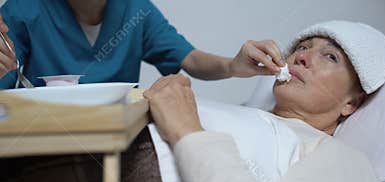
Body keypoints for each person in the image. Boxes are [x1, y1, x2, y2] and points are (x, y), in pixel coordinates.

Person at [144, 21, 385, 182]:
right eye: (302, 47)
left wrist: (186, 132)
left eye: (330, 57)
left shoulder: (343, 158)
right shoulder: (247, 117)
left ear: (351, 103)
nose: (301, 57)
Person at [0, 0, 284, 88]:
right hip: (47, 141)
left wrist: (232, 66)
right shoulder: (24, 10)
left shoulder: (136, 11)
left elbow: (191, 60)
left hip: (119, 141)